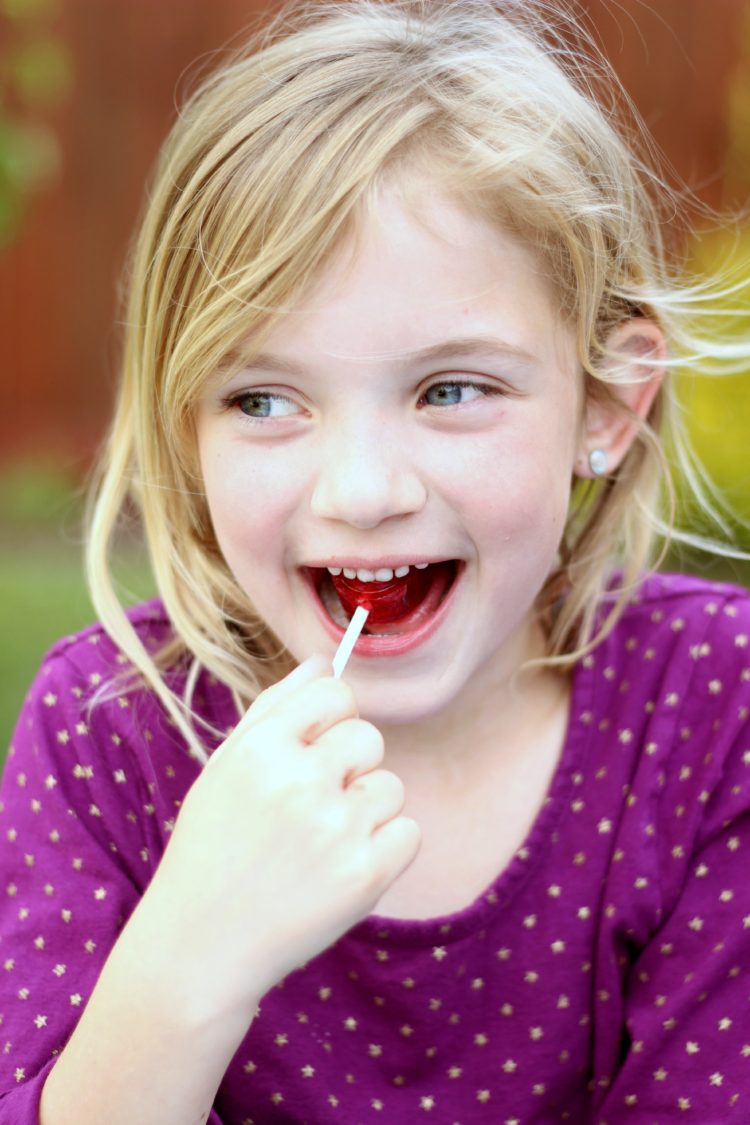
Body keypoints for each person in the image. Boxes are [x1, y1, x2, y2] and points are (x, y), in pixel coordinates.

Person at [2, 1, 749, 1121]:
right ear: (183, 429)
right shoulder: (110, 733)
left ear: (606, 405)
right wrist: (190, 955)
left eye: (452, 390)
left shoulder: (708, 706)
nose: (361, 492)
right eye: (264, 399)